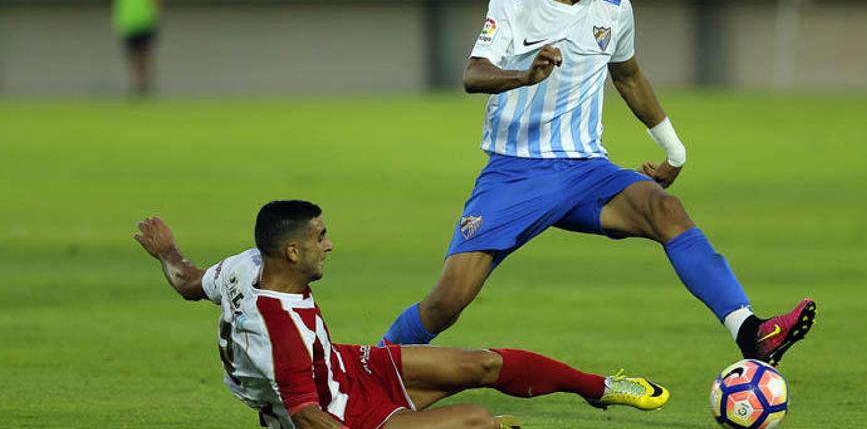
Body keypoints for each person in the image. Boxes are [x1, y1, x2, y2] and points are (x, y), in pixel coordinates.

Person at [379, 0, 816, 367]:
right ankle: (367, 366)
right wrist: (523, 77)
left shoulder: (615, 9)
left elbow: (627, 76)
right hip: (516, 174)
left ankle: (750, 332)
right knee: (447, 304)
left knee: (666, 211)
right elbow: (473, 74)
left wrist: (675, 152)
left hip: (587, 170)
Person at [134, 200, 669, 429]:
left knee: (481, 364)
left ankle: (600, 388)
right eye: (321, 237)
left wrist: (165, 249)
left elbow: (186, 281)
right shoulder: (281, 335)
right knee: (482, 421)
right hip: (339, 412)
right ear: (292, 252)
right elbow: (305, 415)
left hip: (342, 368)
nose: (331, 245)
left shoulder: (245, 265)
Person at [109, 0, 161, 96]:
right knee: (133, 57)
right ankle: (138, 85)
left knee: (143, 56)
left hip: (145, 24)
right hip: (128, 26)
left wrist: (154, 14)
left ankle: (145, 86)